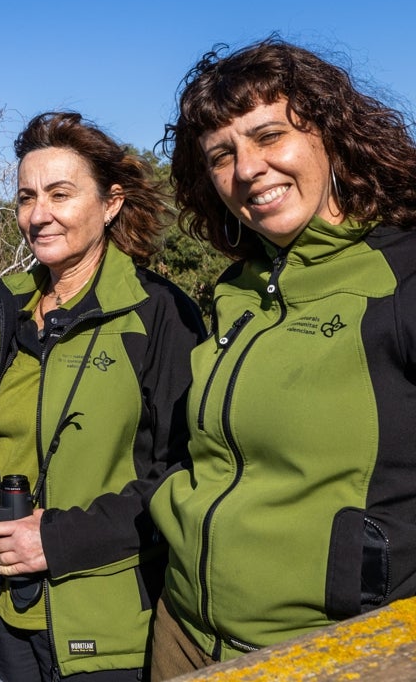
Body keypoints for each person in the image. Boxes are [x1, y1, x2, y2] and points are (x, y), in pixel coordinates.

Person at [150, 38, 416, 677]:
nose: (247, 169)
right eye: (222, 154)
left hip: (328, 650)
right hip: (179, 632)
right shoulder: (234, 291)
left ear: (330, 132)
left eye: (269, 135)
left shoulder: (401, 275)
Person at [0, 112, 205, 681]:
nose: (39, 215)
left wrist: (55, 540)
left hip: (109, 623)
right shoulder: (5, 315)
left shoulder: (159, 315)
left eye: (61, 193)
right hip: (5, 614)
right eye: (27, 197)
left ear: (111, 203)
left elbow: (184, 472)